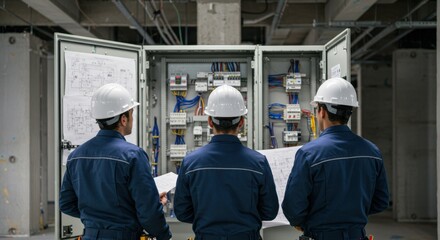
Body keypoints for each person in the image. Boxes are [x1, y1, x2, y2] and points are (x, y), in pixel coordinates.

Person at [59, 83, 172, 240]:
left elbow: (66, 204)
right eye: (131, 113)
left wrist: (96, 219)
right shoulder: (133, 155)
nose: (133, 118)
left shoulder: (76, 155)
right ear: (124, 119)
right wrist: (164, 235)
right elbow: (148, 213)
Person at [282, 77, 389, 240]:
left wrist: (302, 222)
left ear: (322, 111)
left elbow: (293, 208)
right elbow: (380, 201)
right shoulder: (372, 151)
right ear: (349, 112)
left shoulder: (309, 153)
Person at [174, 84, 279, 240]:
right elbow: (269, 212)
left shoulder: (190, 163)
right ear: (241, 122)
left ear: (209, 121)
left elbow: (182, 212)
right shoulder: (258, 162)